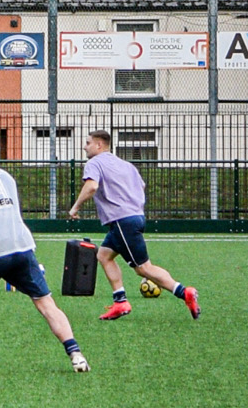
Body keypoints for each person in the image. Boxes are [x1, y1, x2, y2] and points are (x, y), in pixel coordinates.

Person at [0, 130, 88, 372]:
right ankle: (76, 354)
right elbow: (0, 213)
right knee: (46, 303)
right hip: (21, 247)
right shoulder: (5, 176)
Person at [70, 129, 200, 319]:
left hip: (123, 220)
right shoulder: (126, 165)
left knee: (143, 269)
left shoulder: (94, 163)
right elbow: (142, 186)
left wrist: (75, 207)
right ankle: (120, 302)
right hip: (133, 217)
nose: (84, 146)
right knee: (104, 255)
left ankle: (184, 292)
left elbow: (91, 186)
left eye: (88, 143)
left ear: (99, 145)